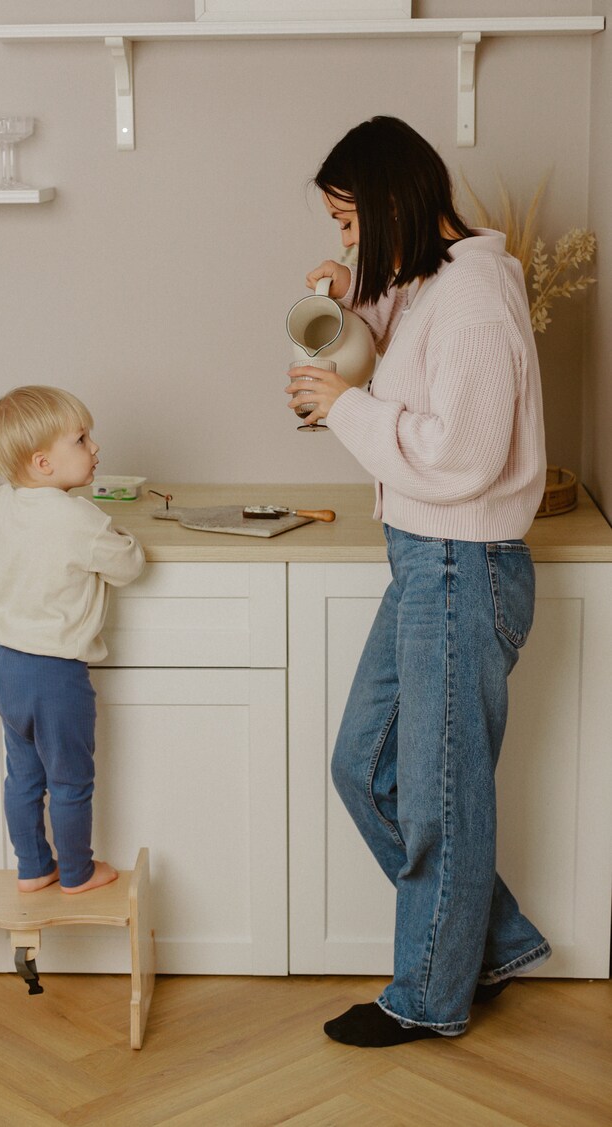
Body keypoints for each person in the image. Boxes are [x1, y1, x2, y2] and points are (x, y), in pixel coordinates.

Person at [286, 116, 551, 1047]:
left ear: (395, 200)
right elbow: (410, 351)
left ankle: (430, 996)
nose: (346, 238)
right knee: (367, 767)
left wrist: (345, 405)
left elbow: (464, 454)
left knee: (440, 795)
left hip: (458, 562)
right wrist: (351, 296)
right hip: (426, 559)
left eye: (350, 222)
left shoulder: (476, 296)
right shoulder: (445, 283)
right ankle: (498, 937)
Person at [0, 385, 145, 895]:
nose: (95, 448)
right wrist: (126, 537)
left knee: (23, 779)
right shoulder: (79, 518)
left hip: (8, 669)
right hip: (57, 676)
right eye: (82, 439)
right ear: (43, 463)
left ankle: (34, 868)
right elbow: (128, 566)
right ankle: (79, 873)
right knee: (70, 782)